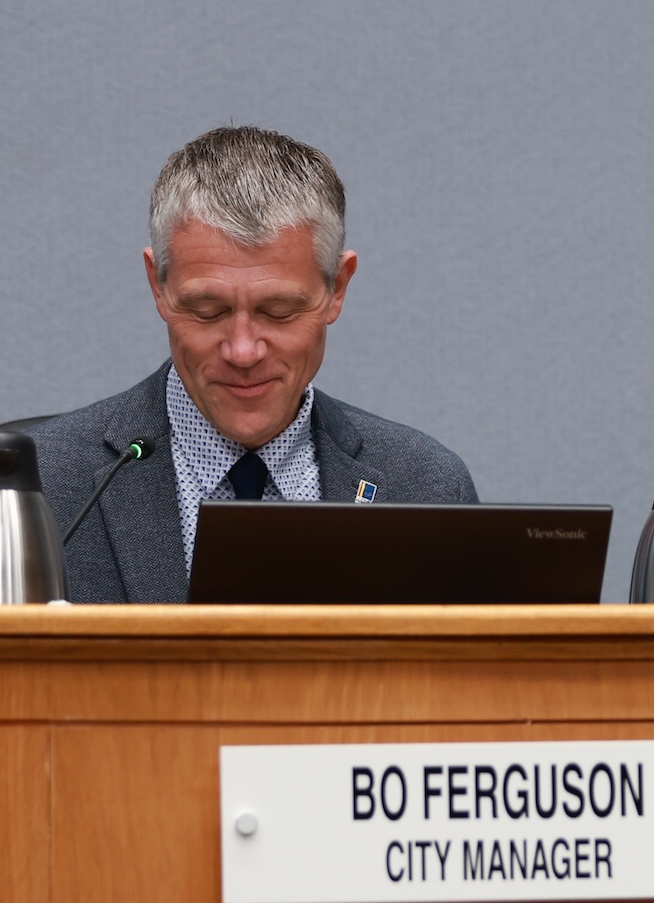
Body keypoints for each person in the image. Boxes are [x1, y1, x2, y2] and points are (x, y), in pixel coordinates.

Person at [32, 126, 477, 603]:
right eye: (208, 310)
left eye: (279, 311)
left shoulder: (425, 486)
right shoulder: (39, 489)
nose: (243, 352)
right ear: (157, 285)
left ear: (338, 288)